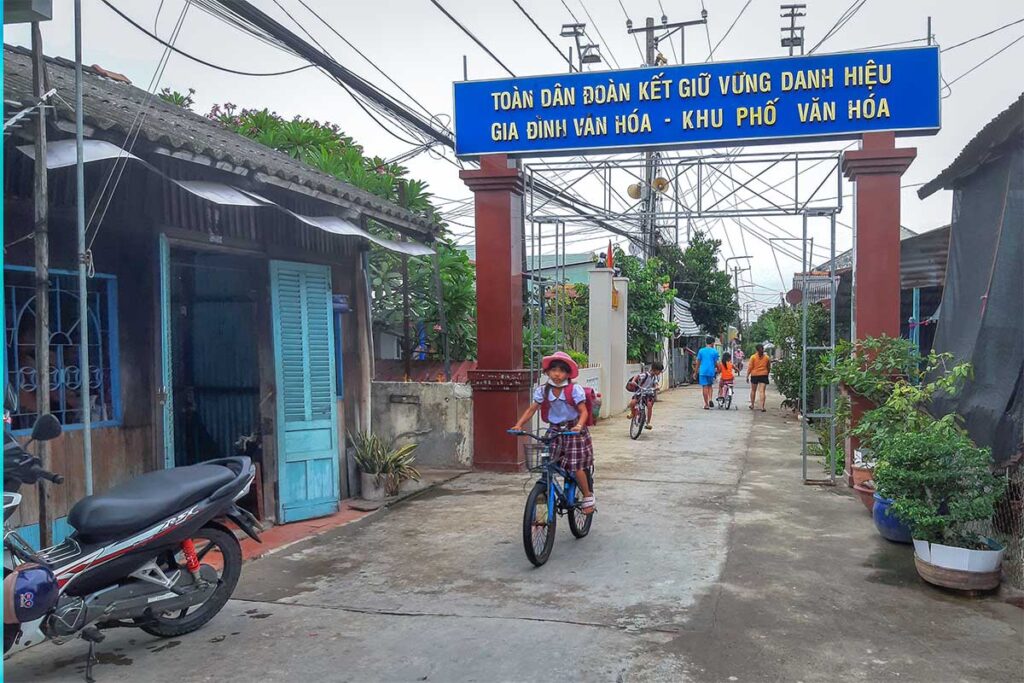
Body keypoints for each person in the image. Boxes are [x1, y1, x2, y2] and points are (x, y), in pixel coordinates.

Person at [510, 351, 596, 514]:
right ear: (547, 372)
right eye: (554, 369)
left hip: (574, 429)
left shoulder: (574, 389)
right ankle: (545, 495)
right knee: (547, 461)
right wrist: (518, 425)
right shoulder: (543, 390)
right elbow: (532, 409)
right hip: (555, 428)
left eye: (562, 370)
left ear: (568, 374)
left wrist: (578, 425)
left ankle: (587, 495)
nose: (557, 374)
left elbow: (583, 411)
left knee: (576, 466)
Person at [627, 360, 663, 429]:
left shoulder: (655, 377)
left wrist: (656, 387)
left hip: (649, 393)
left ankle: (648, 422)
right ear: (655, 370)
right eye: (659, 371)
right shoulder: (645, 374)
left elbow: (656, 384)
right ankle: (632, 413)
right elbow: (637, 376)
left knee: (649, 405)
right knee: (632, 403)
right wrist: (633, 381)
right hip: (640, 392)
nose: (660, 372)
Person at [694, 336, 720, 409]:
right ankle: (710, 399)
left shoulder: (701, 351)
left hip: (703, 371)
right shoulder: (714, 351)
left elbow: (698, 362)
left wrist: (695, 372)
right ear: (712, 343)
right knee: (710, 386)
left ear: (706, 342)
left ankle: (706, 404)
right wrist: (719, 370)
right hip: (711, 371)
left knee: (704, 387)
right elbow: (717, 363)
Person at [747, 343, 771, 412]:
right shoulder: (767, 357)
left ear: (756, 350)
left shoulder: (753, 357)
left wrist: (747, 375)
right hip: (764, 375)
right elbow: (769, 367)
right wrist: (767, 373)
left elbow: (750, 367)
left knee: (753, 390)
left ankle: (752, 405)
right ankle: (762, 407)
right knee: (762, 391)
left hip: (754, 375)